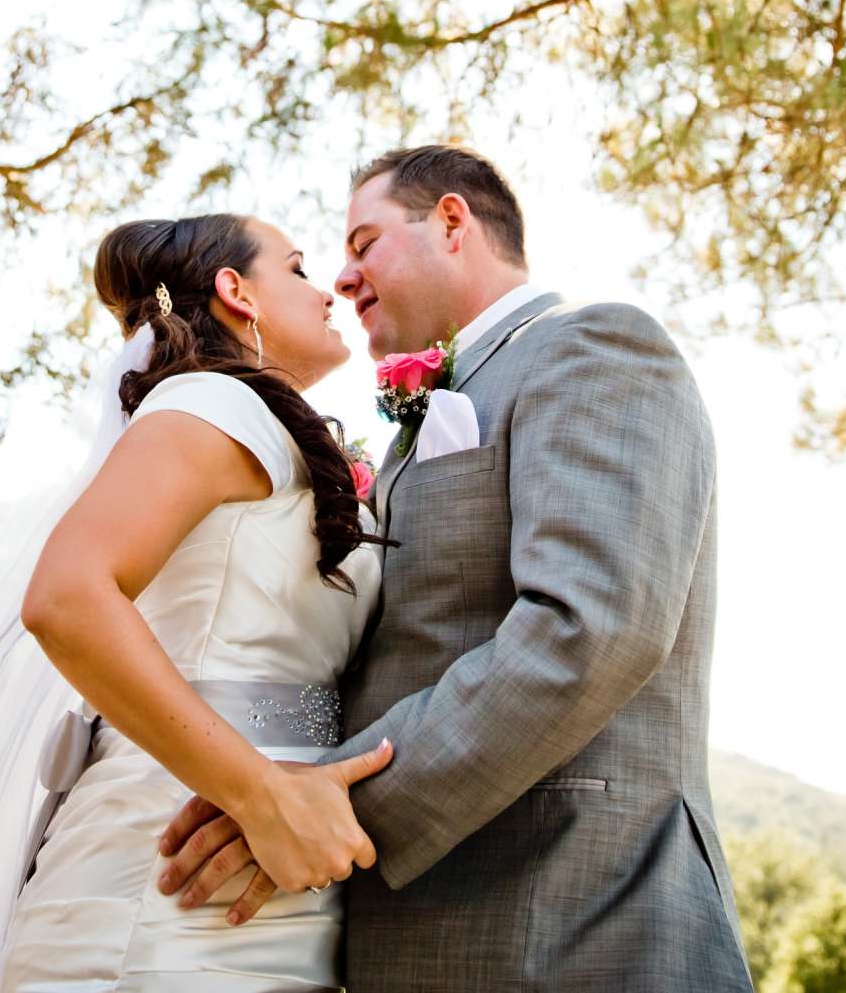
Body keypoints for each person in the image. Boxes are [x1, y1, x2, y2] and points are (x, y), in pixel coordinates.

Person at [154, 145, 752, 991]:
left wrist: (328, 800)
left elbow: (591, 630)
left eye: (363, 244)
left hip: (575, 920)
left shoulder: (593, 348)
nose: (344, 276)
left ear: (451, 221)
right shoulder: (414, 419)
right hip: (410, 934)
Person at [0, 212, 393, 993]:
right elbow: (67, 597)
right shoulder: (211, 407)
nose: (326, 289)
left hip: (270, 874)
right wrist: (259, 791)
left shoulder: (262, 429)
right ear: (238, 292)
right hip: (162, 873)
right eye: (297, 268)